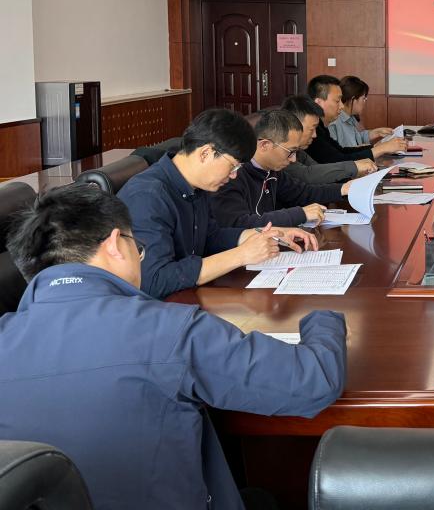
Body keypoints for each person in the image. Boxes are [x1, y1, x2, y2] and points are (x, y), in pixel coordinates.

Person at [0, 184, 347, 510]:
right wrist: (323, 316)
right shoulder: (170, 329)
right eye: (139, 248)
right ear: (115, 244)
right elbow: (312, 381)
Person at [119, 108, 317, 299]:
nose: (234, 175)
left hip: (187, 297)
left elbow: (211, 237)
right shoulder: (147, 196)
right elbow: (154, 281)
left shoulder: (198, 186)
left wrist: (267, 234)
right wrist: (241, 255)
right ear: (205, 153)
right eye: (233, 166)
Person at [212, 110, 353, 228]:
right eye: (290, 151)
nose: (293, 159)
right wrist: (300, 214)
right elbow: (239, 224)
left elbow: (304, 192)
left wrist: (344, 189)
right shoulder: (230, 175)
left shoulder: (272, 171)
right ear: (264, 145)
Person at [306, 75, 406, 164]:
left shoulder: (321, 128)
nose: (341, 106)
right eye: (337, 101)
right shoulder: (320, 128)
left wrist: (378, 146)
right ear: (318, 103)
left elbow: (342, 151)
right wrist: (380, 148)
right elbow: (339, 160)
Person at [281, 94, 376, 184]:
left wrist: (351, 178)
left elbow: (318, 170)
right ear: (294, 125)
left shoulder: (300, 151)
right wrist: (354, 167)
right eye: (311, 129)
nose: (315, 135)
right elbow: (308, 174)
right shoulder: (281, 151)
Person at [328, 75, 395, 147]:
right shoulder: (334, 122)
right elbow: (340, 152)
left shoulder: (351, 117)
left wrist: (377, 132)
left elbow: (357, 138)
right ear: (353, 100)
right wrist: (376, 148)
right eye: (364, 98)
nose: (365, 101)